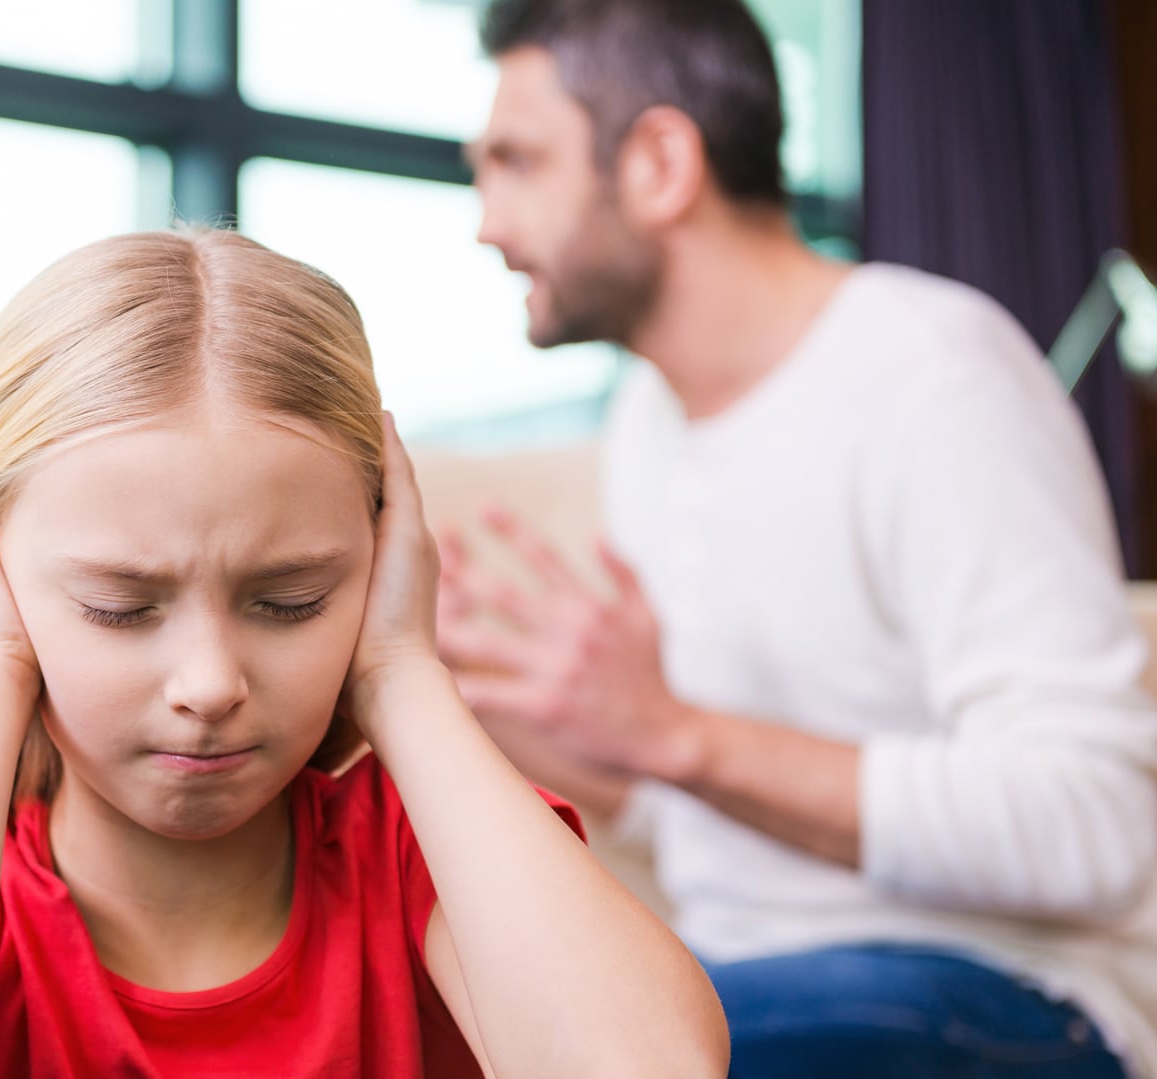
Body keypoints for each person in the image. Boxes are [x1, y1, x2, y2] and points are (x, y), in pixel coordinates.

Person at [0, 228, 730, 1077]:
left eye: (289, 600)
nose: (211, 683)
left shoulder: (426, 848)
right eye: (121, 606)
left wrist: (404, 674)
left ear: (382, 564)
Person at [441, 0, 1157, 1076]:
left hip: (1009, 987)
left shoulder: (933, 370)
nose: (487, 222)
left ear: (661, 162)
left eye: (518, 162)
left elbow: (1094, 824)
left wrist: (675, 730)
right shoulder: (649, 417)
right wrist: (537, 724)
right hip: (752, 977)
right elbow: (711, 828)